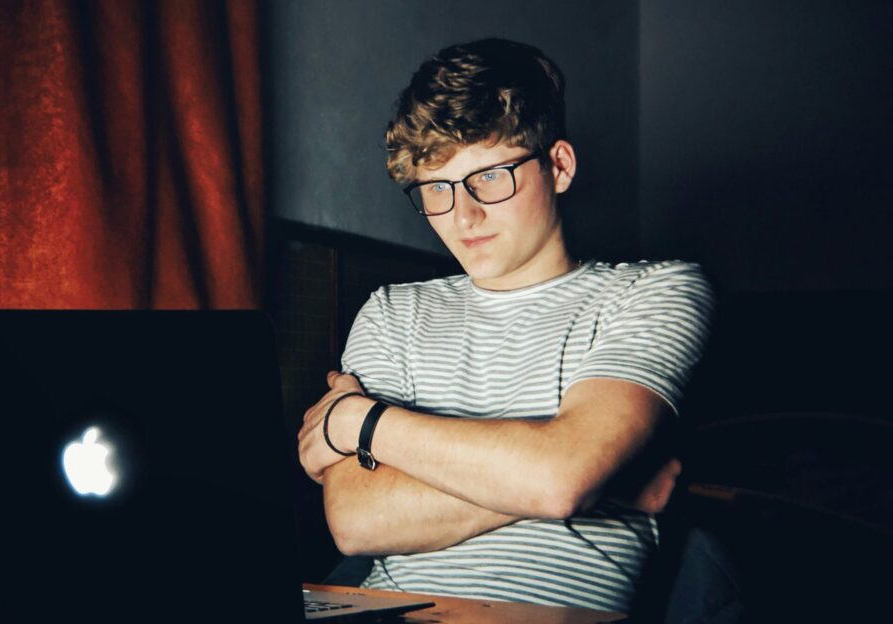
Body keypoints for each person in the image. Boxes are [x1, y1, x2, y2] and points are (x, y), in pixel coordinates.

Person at [296, 38, 713, 613]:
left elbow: (561, 478)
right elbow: (356, 521)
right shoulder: (392, 310)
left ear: (558, 166)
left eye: (490, 176)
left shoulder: (653, 291)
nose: (463, 215)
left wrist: (356, 421)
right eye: (436, 188)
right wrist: (604, 481)